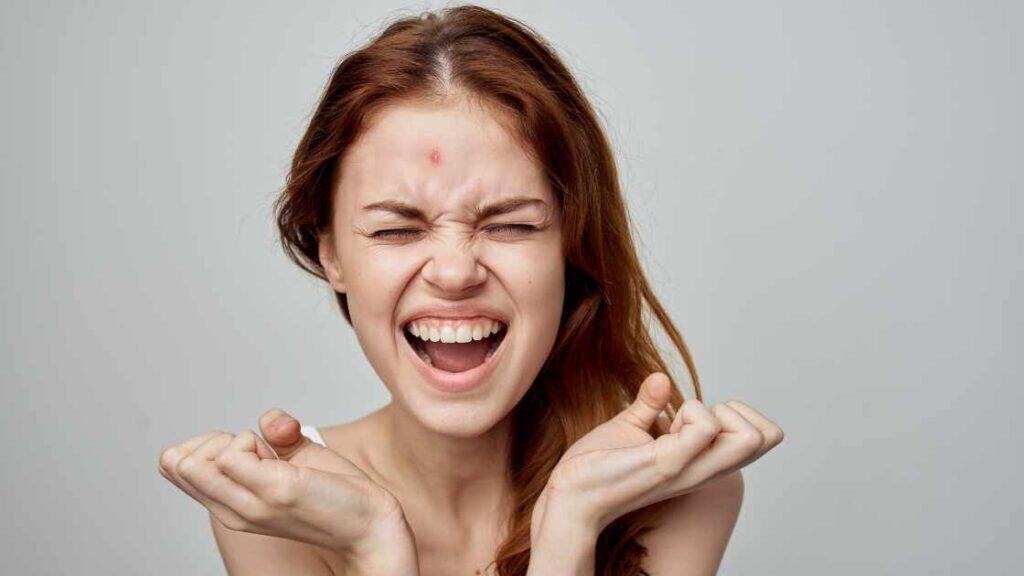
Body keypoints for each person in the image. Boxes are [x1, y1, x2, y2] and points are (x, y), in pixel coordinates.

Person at [157, 5, 784, 575]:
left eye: (511, 224)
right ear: (331, 254)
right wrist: (375, 541)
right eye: (396, 228)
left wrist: (569, 522)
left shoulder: (677, 492)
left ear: (573, 247)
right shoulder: (284, 510)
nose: (455, 274)